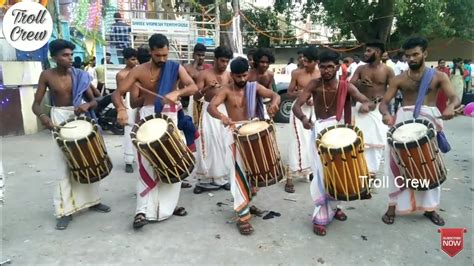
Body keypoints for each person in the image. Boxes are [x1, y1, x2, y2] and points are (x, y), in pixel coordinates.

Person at [111, 34, 198, 229]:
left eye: (165, 55)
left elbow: (193, 87)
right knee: (147, 163)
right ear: (150, 52)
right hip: (148, 117)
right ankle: (141, 211)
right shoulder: (138, 71)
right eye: (158, 55)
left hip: (170, 116)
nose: (162, 59)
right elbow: (117, 93)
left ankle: (168, 207)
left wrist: (177, 92)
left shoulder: (175, 67)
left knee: (171, 159)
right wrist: (121, 109)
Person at [379, 37, 460, 226]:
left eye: (415, 54)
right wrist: (385, 114)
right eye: (408, 56)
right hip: (402, 123)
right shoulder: (399, 78)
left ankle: (430, 208)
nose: (411, 59)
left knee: (428, 164)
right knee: (396, 166)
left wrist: (450, 107)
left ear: (425, 53)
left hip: (428, 123)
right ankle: (392, 206)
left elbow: (454, 97)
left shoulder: (439, 76)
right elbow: (384, 102)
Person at [31, 39, 111, 230]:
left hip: (80, 118)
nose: (69, 58)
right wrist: (43, 117)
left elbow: (97, 99)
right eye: (64, 55)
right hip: (59, 118)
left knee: (87, 160)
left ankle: (92, 201)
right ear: (54, 57)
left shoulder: (80, 75)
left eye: (70, 54)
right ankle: (64, 210)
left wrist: (87, 104)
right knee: (63, 164)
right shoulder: (47, 76)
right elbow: (35, 104)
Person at [293, 50, 374, 236]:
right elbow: (297, 105)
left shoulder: (345, 86)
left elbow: (364, 100)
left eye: (330, 66)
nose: (326, 70)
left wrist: (367, 105)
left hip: (341, 134)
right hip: (320, 132)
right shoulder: (314, 84)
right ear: (319, 67)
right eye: (323, 66)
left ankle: (335, 206)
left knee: (339, 173)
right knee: (322, 174)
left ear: (337, 67)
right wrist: (304, 119)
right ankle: (320, 217)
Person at [207, 57, 280, 235]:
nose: (242, 79)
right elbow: (211, 107)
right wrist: (222, 117)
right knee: (238, 174)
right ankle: (242, 216)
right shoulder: (225, 90)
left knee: (255, 173)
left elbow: (275, 95)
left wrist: (274, 103)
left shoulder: (253, 87)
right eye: (238, 76)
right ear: (232, 75)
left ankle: (246, 202)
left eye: (245, 75)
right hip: (235, 134)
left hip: (253, 132)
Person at [351, 41, 395, 181]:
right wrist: (359, 84)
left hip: (378, 110)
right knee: (358, 141)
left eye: (368, 51)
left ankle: (371, 173)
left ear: (378, 52)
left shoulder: (387, 70)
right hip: (361, 108)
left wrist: (379, 100)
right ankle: (359, 172)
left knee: (376, 142)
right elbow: (349, 85)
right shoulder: (360, 69)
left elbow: (393, 90)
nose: (365, 53)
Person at [193, 46, 233, 194]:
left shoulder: (229, 76)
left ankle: (221, 179)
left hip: (224, 112)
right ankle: (204, 180)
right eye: (222, 61)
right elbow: (196, 96)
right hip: (208, 111)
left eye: (227, 61)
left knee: (223, 144)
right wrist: (206, 89)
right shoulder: (204, 74)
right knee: (207, 144)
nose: (224, 64)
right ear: (215, 59)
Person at [285, 46, 320, 193]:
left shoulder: (321, 73)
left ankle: (311, 171)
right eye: (303, 60)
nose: (304, 63)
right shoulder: (297, 73)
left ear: (316, 61)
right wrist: (302, 95)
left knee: (313, 142)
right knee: (296, 142)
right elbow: (289, 92)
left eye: (307, 61)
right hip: (298, 110)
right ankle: (289, 177)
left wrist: (314, 99)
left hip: (316, 111)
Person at [116, 48, 139, 173]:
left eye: (136, 59)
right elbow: (119, 93)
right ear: (126, 60)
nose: (135, 62)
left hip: (139, 100)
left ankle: (138, 157)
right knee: (129, 129)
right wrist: (121, 108)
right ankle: (128, 160)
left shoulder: (139, 71)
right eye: (132, 59)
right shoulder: (121, 75)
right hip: (128, 101)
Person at [185, 43, 213, 129]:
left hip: (205, 99)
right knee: (194, 124)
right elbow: (190, 78)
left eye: (203, 55)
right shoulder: (187, 67)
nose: (201, 57)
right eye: (198, 55)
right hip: (192, 99)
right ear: (193, 55)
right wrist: (195, 64)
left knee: (205, 124)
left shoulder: (209, 67)